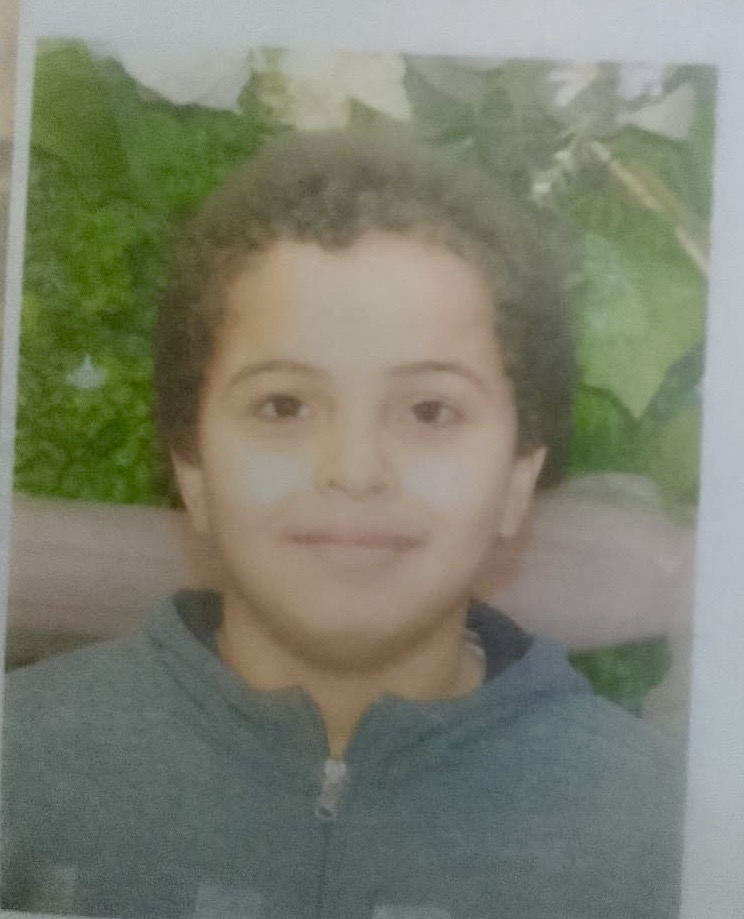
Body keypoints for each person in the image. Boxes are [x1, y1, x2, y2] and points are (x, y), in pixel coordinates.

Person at [1, 129, 684, 919]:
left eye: (430, 410)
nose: (356, 469)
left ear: (517, 478)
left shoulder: (661, 833)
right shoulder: (22, 763)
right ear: (193, 469)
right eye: (283, 405)